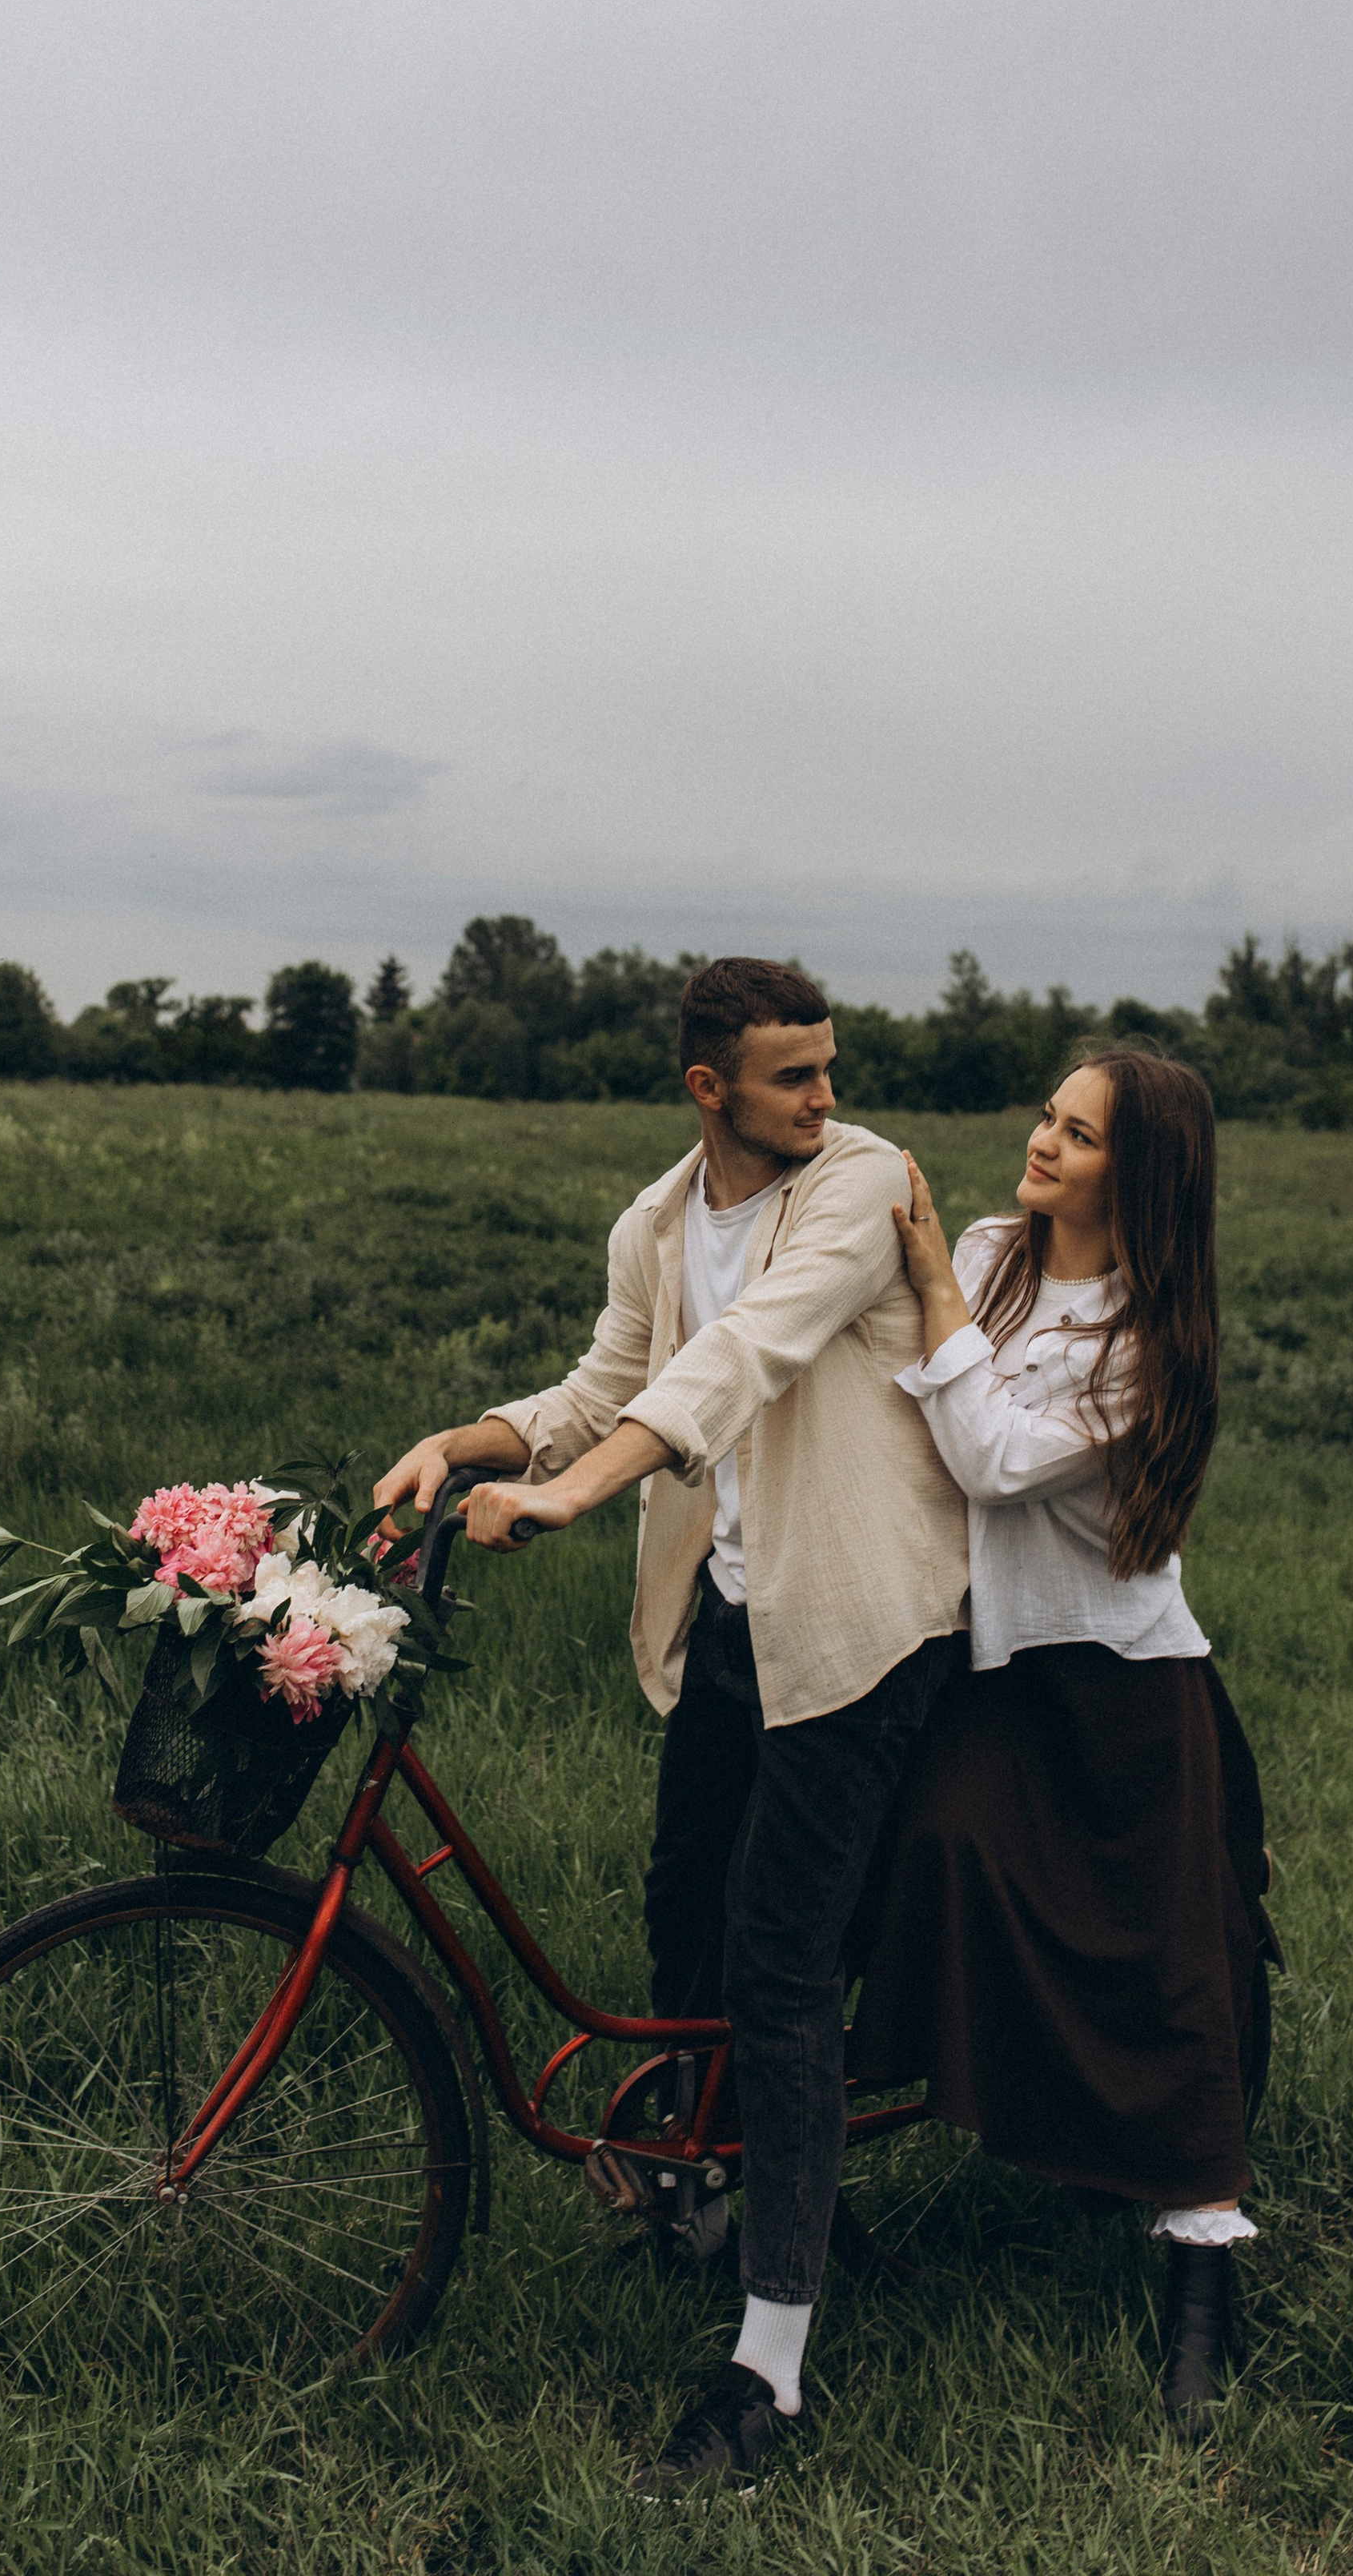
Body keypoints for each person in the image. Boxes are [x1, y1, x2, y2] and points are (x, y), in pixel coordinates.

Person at [374, 957, 968, 2492]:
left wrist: (572, 1495)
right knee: (682, 1915)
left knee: (778, 1960)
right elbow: (608, 1379)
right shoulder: (657, 1219)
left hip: (857, 1624)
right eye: (795, 1077)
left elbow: (741, 1360)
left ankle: (769, 2366)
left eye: (829, 1067)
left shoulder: (858, 1187)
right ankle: (724, 2184)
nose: (826, 1096)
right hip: (731, 1619)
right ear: (710, 1089)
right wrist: (466, 1443)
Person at [849, 1045, 1279, 2437]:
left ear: (1135, 1171)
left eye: (1076, 1133)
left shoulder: (1148, 1339)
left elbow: (992, 1460)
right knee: (946, 1857)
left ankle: (1201, 2295)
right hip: (987, 1669)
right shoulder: (991, 1253)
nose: (1039, 1143)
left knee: (1172, 1975)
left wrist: (932, 1297)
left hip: (1124, 1689)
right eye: (1046, 1114)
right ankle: (1027, 2145)